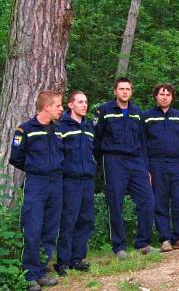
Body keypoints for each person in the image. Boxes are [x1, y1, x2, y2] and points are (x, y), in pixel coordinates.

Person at [95, 77, 156, 258]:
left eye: (127, 89)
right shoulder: (104, 110)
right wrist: (102, 162)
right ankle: (119, 247)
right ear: (115, 91)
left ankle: (143, 243)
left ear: (131, 91)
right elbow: (96, 139)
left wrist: (145, 167)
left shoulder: (137, 112)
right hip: (113, 160)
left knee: (148, 199)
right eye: (121, 89)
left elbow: (142, 141)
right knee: (115, 203)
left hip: (136, 160)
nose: (124, 92)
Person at [9, 91, 64, 291]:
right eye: (57, 105)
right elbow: (16, 158)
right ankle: (30, 275)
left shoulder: (57, 130)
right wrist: (36, 168)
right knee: (33, 228)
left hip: (56, 184)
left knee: (50, 229)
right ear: (46, 107)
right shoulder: (25, 130)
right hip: (36, 184)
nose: (61, 109)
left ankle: (42, 271)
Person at [143, 84, 179, 252]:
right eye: (161, 94)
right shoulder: (147, 117)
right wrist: (147, 168)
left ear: (172, 97)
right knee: (160, 202)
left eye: (168, 94)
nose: (164, 97)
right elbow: (142, 145)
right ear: (155, 97)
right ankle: (165, 238)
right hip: (156, 164)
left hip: (177, 164)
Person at [54, 91, 97, 277]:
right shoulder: (61, 126)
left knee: (85, 220)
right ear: (70, 105)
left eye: (86, 102)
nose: (84, 105)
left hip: (87, 180)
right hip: (69, 181)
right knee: (68, 220)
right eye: (80, 102)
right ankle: (63, 261)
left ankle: (77, 258)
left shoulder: (89, 127)